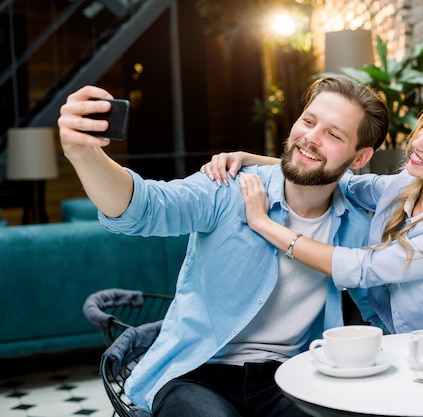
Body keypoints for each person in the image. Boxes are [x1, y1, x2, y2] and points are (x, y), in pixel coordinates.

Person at [57, 76, 389, 417]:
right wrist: (85, 155)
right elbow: (144, 207)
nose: (311, 138)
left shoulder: (357, 223)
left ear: (360, 157)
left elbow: (381, 311)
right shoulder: (227, 187)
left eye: (334, 134)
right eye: (308, 121)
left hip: (293, 377)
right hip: (197, 373)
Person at [202, 96, 423, 334]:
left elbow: (361, 268)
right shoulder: (405, 184)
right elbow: (343, 178)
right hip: (405, 346)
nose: (419, 143)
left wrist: (263, 223)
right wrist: (250, 158)